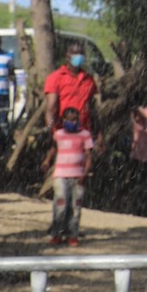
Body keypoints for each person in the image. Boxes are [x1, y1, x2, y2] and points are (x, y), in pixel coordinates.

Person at [48, 105, 93, 247]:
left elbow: (89, 156)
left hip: (78, 176)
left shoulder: (85, 135)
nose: (72, 122)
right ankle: (57, 233)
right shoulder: (58, 134)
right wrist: (47, 160)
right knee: (61, 205)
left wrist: (85, 173)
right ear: (63, 120)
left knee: (76, 207)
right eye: (69, 120)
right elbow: (53, 148)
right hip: (61, 175)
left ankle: (73, 235)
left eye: (75, 120)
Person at [41, 47, 96, 132]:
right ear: (67, 57)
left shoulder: (88, 79)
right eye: (75, 54)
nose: (79, 57)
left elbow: (92, 107)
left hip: (84, 131)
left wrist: (97, 132)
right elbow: (51, 109)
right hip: (62, 131)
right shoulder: (55, 78)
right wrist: (50, 129)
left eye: (81, 54)